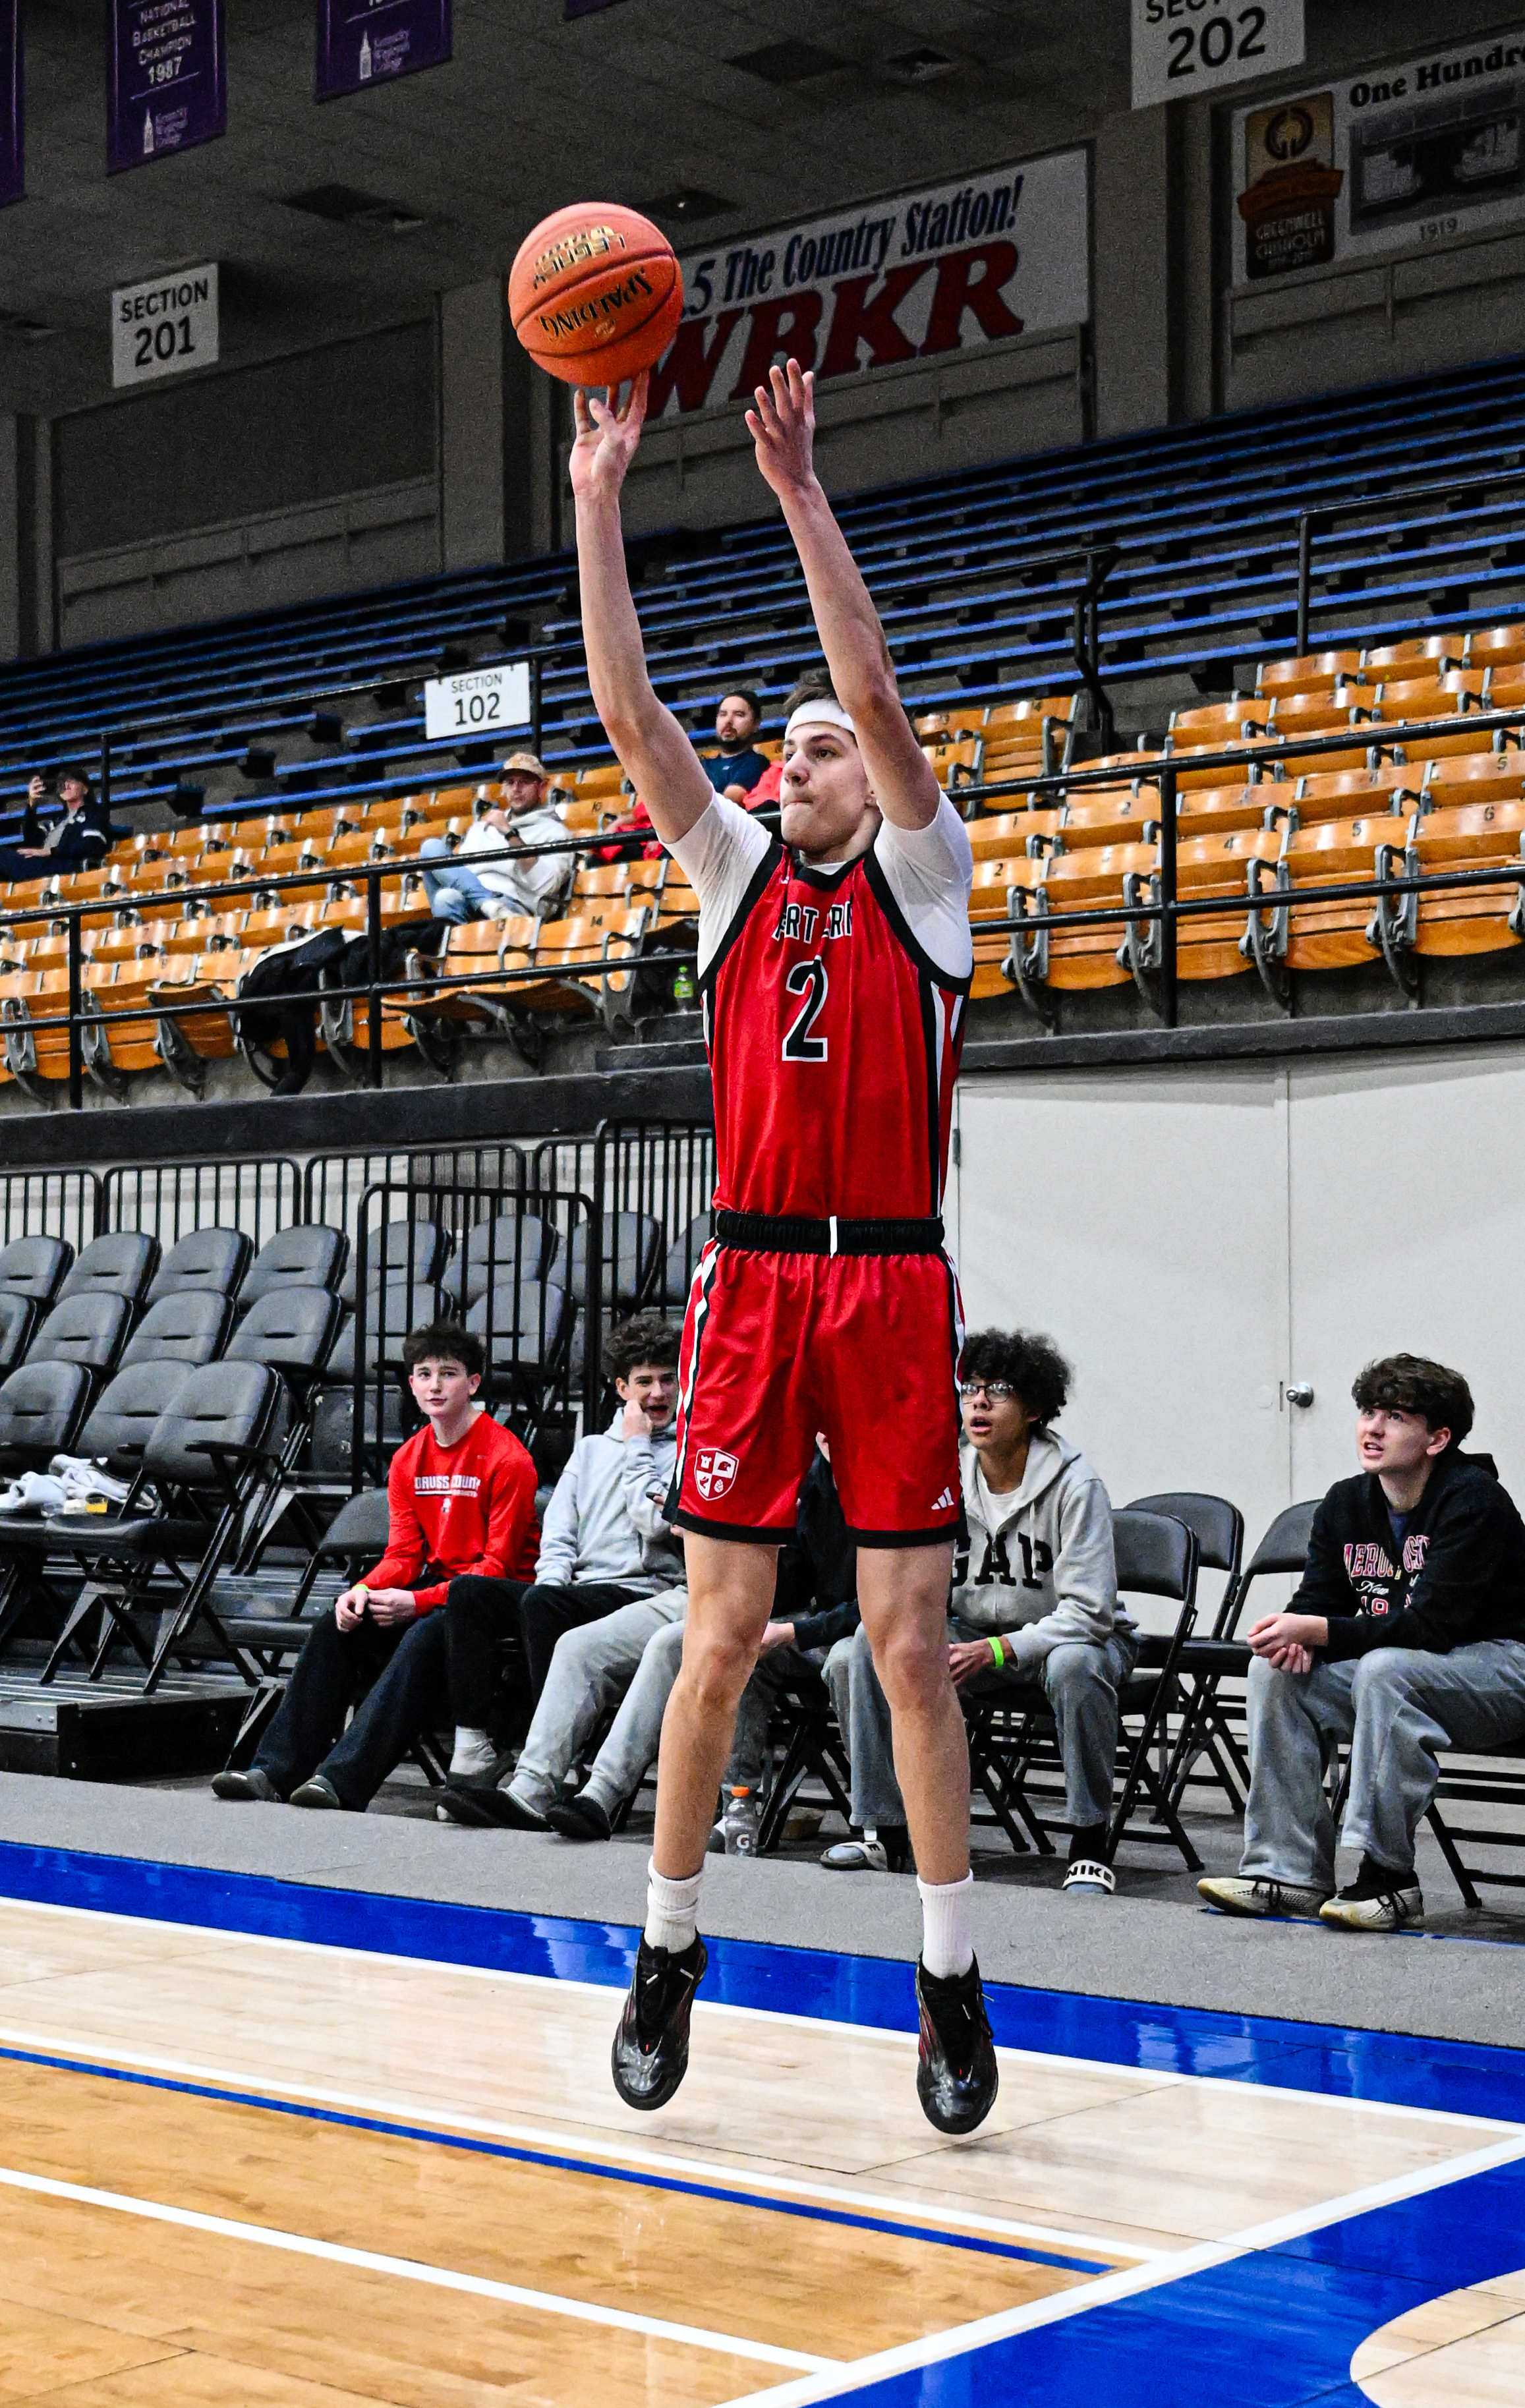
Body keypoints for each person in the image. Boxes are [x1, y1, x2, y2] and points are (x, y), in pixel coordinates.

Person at [571, 356, 991, 2133]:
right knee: (719, 1633)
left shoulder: (925, 871)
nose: (791, 758)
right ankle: (668, 1945)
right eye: (785, 748)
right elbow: (633, 717)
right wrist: (597, 495)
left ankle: (950, 1974)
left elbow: (876, 694)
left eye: (811, 745)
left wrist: (803, 492)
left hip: (890, 1274)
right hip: (751, 1276)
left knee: (905, 1640)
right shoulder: (736, 879)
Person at [1199, 1354, 1525, 1932]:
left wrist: (1321, 1633)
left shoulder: (1475, 1501)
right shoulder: (1348, 1501)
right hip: (1409, 1670)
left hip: (1503, 1670)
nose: (1372, 1428)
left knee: (1386, 1669)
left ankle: (1388, 1879)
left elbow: (1434, 1627)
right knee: (1277, 1673)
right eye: (1368, 1412)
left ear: (1437, 1438)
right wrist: (1295, 1635)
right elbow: (1319, 1598)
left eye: (1395, 1416)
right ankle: (1288, 1874)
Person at [822, 1332, 1132, 1893]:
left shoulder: (1077, 1485)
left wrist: (999, 1649)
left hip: (1067, 1641)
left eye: (999, 1391)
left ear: (1035, 1407)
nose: (979, 1403)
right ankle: (883, 1830)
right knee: (861, 1650)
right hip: (967, 1633)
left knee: (1075, 1669)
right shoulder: (944, 1476)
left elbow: (1090, 1613)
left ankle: (1090, 1841)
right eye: (970, 1390)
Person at [211, 1323, 538, 1809]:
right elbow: (404, 1554)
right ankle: (274, 1770)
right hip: (437, 1590)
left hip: (493, 1602)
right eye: (424, 1374)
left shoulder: (509, 1458)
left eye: (448, 1374)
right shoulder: (409, 1458)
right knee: (335, 1626)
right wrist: (363, 1589)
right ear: (410, 1385)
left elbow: (497, 1566)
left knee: (424, 1634)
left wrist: (418, 1602)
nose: (434, 1385)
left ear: (472, 1383)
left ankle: (342, 1782)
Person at [436, 1309, 681, 1812]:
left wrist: (638, 1447)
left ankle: (553, 1755)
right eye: (643, 1382)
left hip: (643, 1592)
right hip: (577, 1592)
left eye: (666, 1380)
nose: (657, 1394)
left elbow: (653, 1524)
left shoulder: (687, 1450)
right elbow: (559, 1535)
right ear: (620, 1387)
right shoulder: (590, 1449)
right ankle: (474, 1745)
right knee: (471, 1593)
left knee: (546, 1608)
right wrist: (549, 1584)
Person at [418, 754, 569, 925]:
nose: (516, 788)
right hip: (474, 901)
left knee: (445, 899)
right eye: (510, 783)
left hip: (514, 906)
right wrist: (482, 899)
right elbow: (463, 873)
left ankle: (487, 909)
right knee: (431, 848)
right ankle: (486, 903)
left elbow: (547, 885)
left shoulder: (555, 832)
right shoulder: (483, 826)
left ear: (542, 787)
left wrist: (509, 833)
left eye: (524, 782)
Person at [0, 770, 112, 883]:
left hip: (63, 867)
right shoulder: (59, 820)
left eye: (72, 782)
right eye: (63, 783)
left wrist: (51, 852)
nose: (66, 786)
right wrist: (32, 805)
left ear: (85, 789)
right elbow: (31, 839)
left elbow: (92, 846)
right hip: (41, 865)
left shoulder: (94, 813)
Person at [699, 691, 770, 803]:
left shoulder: (756, 763)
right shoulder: (703, 765)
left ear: (756, 724)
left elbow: (732, 797)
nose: (728, 721)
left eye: (739, 715)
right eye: (723, 714)